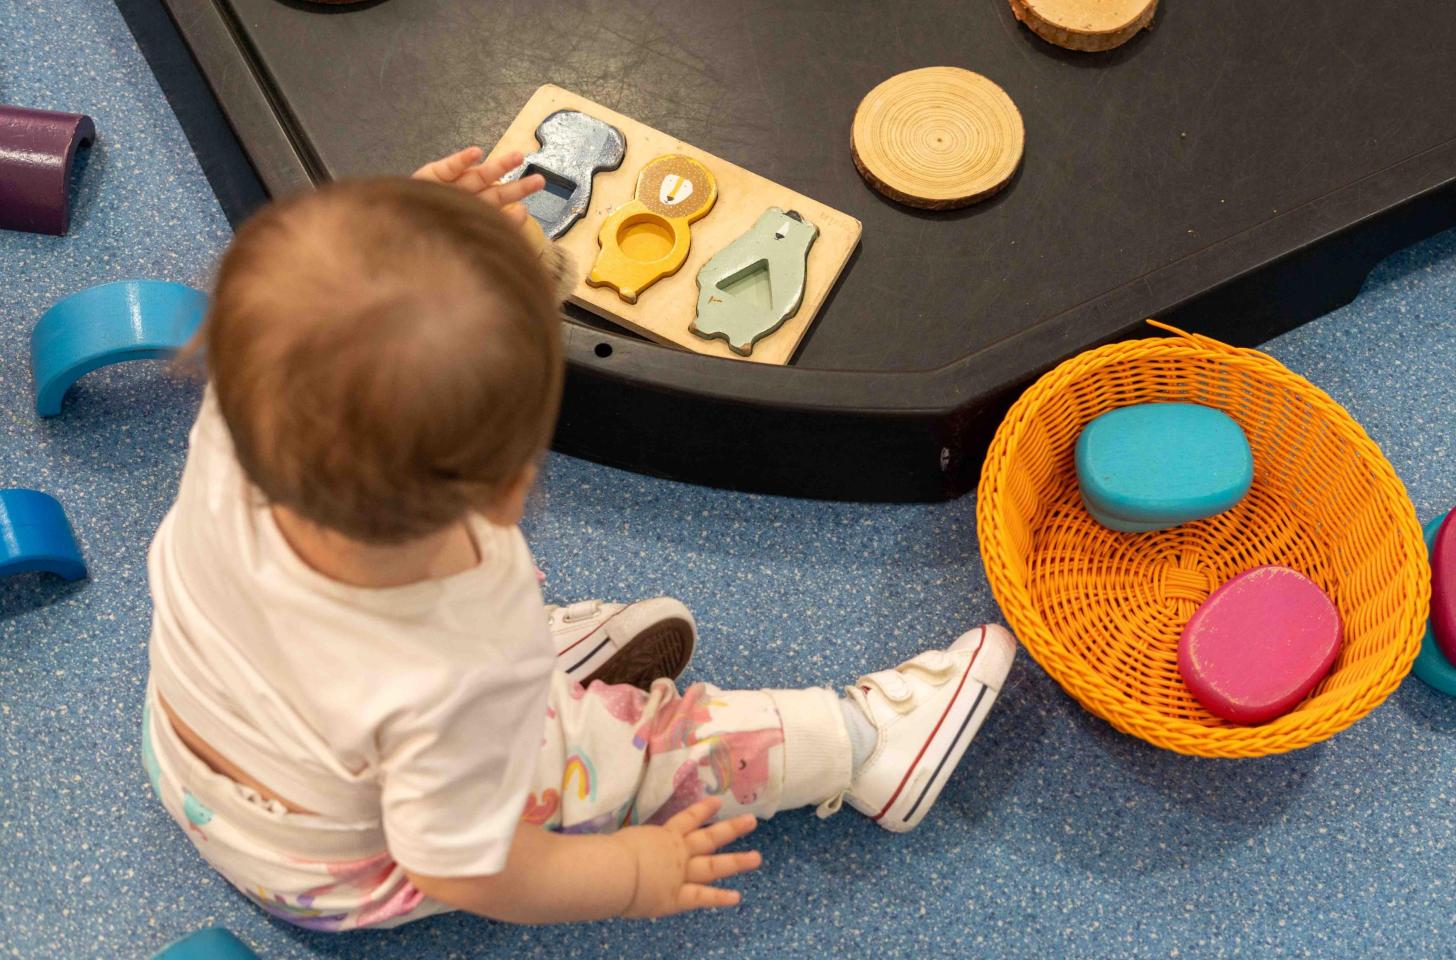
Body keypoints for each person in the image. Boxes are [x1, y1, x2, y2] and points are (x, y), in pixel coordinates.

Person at [141, 147, 1016, 930]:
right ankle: (861, 749)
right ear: (510, 488)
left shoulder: (242, 419)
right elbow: (469, 868)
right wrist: (630, 876)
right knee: (645, 748)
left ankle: (549, 703)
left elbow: (328, 321)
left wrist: (411, 226)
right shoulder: (459, 662)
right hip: (348, 874)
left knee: (472, 709)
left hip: (199, 768)